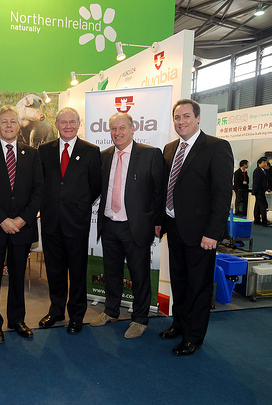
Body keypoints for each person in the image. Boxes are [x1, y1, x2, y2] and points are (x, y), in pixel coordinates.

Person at [160, 99, 233, 356]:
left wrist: (213, 233)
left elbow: (222, 195)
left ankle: (194, 337)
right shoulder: (170, 149)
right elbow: (166, 189)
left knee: (199, 287)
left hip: (202, 234)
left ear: (198, 118)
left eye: (186, 116)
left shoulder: (216, 147)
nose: (181, 121)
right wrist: (161, 222)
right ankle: (179, 325)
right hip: (174, 228)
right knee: (179, 282)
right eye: (177, 117)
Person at [90, 113, 165, 338]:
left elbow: (159, 192)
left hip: (136, 227)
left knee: (139, 275)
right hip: (109, 224)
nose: (117, 133)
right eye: (113, 128)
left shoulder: (150, 154)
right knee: (111, 272)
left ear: (133, 129)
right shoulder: (103, 157)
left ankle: (140, 319)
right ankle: (111, 311)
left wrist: (158, 221)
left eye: (122, 128)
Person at [0, 105, 43, 343]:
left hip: (22, 228)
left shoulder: (32, 154)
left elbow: (38, 191)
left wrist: (22, 219)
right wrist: (2, 220)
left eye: (13, 121)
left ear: (19, 126)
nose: (8, 125)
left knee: (17, 277)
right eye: (4, 121)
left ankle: (17, 320)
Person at [37, 107, 101, 334]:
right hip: (51, 220)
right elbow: (39, 183)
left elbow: (96, 186)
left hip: (77, 221)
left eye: (72, 122)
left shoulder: (91, 151)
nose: (67, 126)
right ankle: (56, 311)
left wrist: (78, 204)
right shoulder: (44, 150)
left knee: (77, 271)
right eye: (63, 122)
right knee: (54, 270)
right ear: (56, 124)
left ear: (79, 124)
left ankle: (76, 315)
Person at [252, 157, 270, 226]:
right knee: (263, 206)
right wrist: (258, 191)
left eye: (266, 163)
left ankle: (257, 220)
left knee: (257, 206)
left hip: (260, 191)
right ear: (259, 163)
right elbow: (257, 182)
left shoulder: (262, 170)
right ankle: (264, 221)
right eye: (264, 163)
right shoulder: (257, 171)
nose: (265, 164)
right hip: (259, 191)